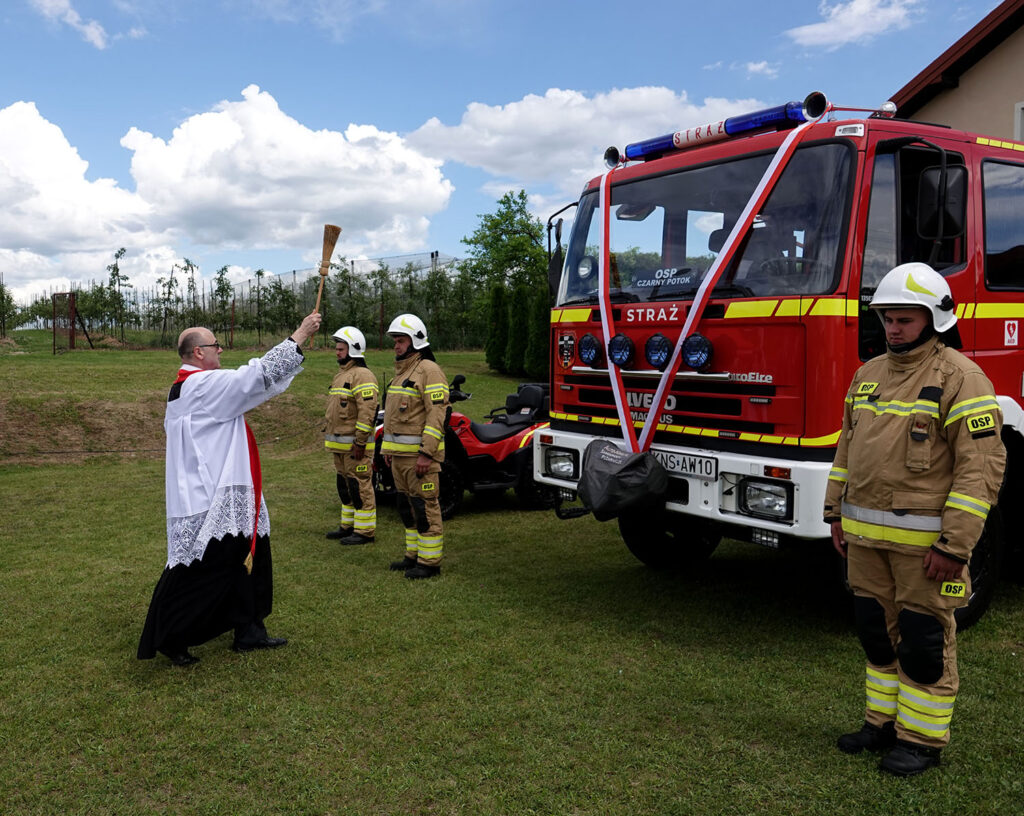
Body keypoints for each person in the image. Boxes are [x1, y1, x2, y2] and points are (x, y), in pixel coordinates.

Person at [824, 263, 1005, 776]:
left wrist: (955, 546)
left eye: (905, 319)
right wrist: (834, 513)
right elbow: (847, 449)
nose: (894, 328)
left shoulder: (962, 378)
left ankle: (922, 740)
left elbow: (981, 469)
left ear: (935, 319)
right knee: (875, 634)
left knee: (924, 640)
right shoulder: (868, 375)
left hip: (927, 550)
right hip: (864, 541)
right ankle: (881, 724)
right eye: (887, 318)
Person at [138, 312, 322, 667]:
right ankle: (170, 635)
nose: (221, 350)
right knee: (204, 569)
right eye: (215, 346)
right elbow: (252, 377)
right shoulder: (201, 385)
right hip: (212, 492)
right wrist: (299, 333)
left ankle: (249, 628)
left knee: (248, 560)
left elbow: (253, 387)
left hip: (226, 485)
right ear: (197, 354)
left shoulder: (188, 386)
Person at [380, 313, 449, 579]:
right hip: (399, 458)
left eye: (400, 340)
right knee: (406, 507)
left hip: (420, 459)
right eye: (395, 341)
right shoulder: (401, 373)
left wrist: (426, 453)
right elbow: (393, 417)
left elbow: (436, 415)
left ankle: (430, 563)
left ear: (416, 341)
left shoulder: (429, 370)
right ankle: (413, 556)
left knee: (424, 508)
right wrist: (387, 450)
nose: (396, 346)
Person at [323, 326, 379, 545]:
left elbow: (367, 412)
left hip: (356, 446)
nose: (336, 352)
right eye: (336, 348)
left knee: (359, 486)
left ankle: (364, 532)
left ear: (354, 348)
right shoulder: (342, 375)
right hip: (340, 446)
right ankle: (348, 526)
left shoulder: (363, 376)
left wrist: (360, 442)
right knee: (344, 486)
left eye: (341, 349)